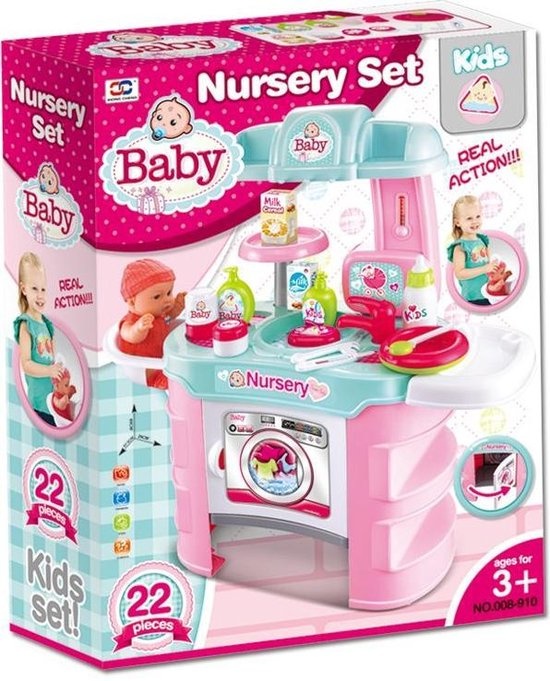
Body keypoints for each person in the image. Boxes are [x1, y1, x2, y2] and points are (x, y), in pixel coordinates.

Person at [117, 258, 185, 389]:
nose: (167, 300)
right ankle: (158, 381)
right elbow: (128, 334)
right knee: (177, 383)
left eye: (169, 293)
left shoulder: (158, 315)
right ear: (132, 302)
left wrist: (177, 308)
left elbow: (168, 319)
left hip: (161, 360)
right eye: (157, 296)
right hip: (146, 371)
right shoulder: (130, 321)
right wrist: (138, 329)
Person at [14, 252, 63, 426]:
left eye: (43, 289)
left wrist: (59, 371)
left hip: (53, 401)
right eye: (34, 289)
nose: (40, 295)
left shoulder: (47, 324)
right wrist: (49, 371)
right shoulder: (25, 325)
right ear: (24, 289)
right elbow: (26, 365)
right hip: (39, 404)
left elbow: (52, 359)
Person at [447, 195, 499, 306]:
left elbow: (489, 265)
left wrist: (495, 267)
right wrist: (485, 269)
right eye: (469, 218)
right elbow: (459, 274)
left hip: (490, 294)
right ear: (458, 222)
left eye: (478, 216)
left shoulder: (483, 240)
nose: (475, 221)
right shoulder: (460, 247)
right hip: (474, 298)